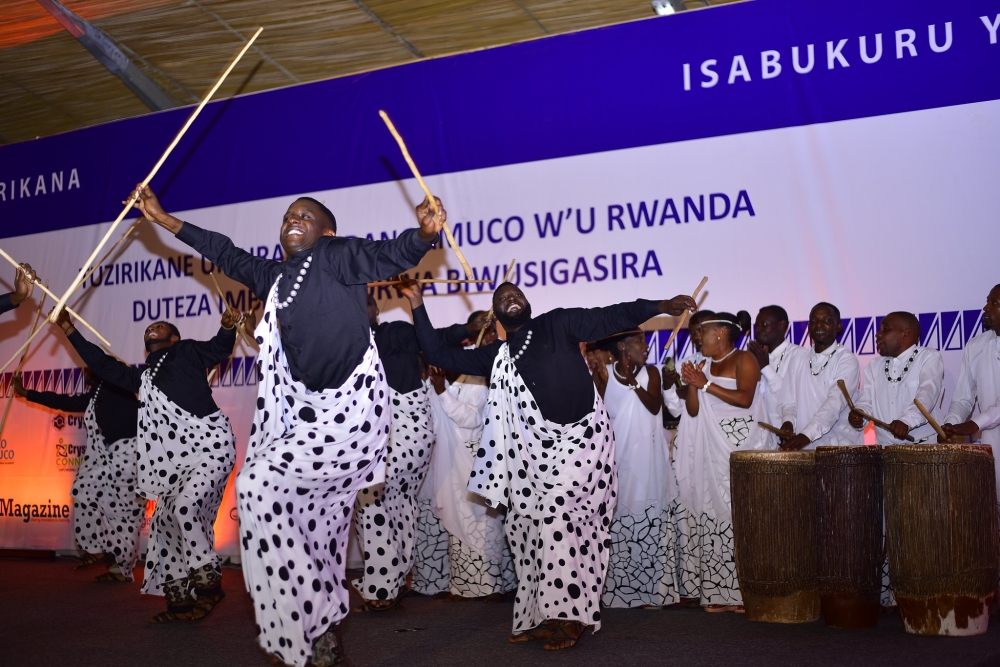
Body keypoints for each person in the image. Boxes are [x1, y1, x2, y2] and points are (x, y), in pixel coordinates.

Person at [128, 184, 445, 667]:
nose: (292, 220)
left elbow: (388, 254)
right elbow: (222, 251)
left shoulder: (338, 256)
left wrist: (423, 235)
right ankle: (317, 627)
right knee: (264, 495)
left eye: (305, 215)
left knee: (267, 493)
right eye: (287, 216)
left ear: (327, 231)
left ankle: (315, 620)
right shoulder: (272, 278)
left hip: (350, 415)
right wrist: (164, 219)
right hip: (301, 422)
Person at [402, 280, 696, 650]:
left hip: (582, 443)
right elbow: (437, 353)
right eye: (502, 298)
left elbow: (610, 316)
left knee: (559, 519)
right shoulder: (497, 355)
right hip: (532, 458)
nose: (511, 298)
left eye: (516, 294)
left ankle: (571, 617)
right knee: (525, 533)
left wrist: (660, 304)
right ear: (497, 314)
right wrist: (416, 302)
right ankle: (540, 614)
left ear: (527, 303)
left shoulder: (557, 324)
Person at [55, 308, 238, 622]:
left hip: (211, 448)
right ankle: (179, 603)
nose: (153, 325)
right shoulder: (142, 378)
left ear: (173, 338)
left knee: (184, 507)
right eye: (151, 326)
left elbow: (219, 349)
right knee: (164, 525)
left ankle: (209, 583)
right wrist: (69, 330)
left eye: (161, 325)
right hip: (178, 464)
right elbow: (101, 363)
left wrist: (226, 328)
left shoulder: (186, 352)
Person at [355, 294, 478, 610]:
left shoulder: (392, 332)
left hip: (406, 429)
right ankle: (392, 580)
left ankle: (382, 587)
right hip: (371, 434)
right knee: (394, 504)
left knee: (374, 499)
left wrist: (465, 327)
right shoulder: (342, 346)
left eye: (365, 301)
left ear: (375, 308)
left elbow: (432, 338)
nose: (358, 306)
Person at [421, 311, 516, 602]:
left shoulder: (485, 371)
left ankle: (490, 586)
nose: (483, 339)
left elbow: (472, 418)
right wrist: (438, 388)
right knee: (462, 521)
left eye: (489, 333)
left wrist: (442, 392)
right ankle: (466, 586)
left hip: (476, 457)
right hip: (454, 458)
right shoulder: (462, 371)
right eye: (479, 332)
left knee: (480, 521)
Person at [680, 311, 772, 611]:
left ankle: (746, 592)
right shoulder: (702, 365)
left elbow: (745, 398)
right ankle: (719, 592)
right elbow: (693, 411)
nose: (697, 338)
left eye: (702, 332)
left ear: (720, 333)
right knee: (714, 518)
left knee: (741, 518)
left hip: (743, 449)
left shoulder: (745, 359)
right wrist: (693, 383)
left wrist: (705, 383)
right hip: (712, 451)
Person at [14, 369, 142, 582]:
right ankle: (99, 549)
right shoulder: (99, 392)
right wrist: (28, 393)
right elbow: (67, 402)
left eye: (90, 368)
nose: (85, 372)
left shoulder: (119, 388)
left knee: (123, 514)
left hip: (130, 457)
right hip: (113, 456)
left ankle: (119, 566)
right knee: (86, 492)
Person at [593, 330, 678, 609]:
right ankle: (620, 592)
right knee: (619, 522)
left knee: (649, 522)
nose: (645, 345)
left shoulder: (650, 373)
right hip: (617, 459)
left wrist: (632, 382)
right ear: (621, 346)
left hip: (648, 459)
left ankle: (653, 592)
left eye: (644, 340)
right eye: (639, 341)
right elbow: (598, 415)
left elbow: (655, 407)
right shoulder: (603, 373)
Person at [661, 309, 714, 606]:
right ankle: (692, 586)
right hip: (687, 443)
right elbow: (678, 410)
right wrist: (670, 386)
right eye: (692, 331)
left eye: (701, 329)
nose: (696, 335)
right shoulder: (686, 362)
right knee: (688, 515)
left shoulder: (726, 362)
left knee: (713, 513)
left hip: (715, 445)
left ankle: (719, 586)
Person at [849, 312, 944, 445]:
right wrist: (860, 414)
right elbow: (866, 401)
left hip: (924, 449)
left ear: (905, 333)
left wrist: (906, 421)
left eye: (885, 329)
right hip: (885, 451)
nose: (878, 334)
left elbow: (927, 394)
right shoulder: (874, 365)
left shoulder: (928, 358)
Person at [778, 303, 862, 451]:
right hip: (805, 448)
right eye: (814, 321)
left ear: (838, 327)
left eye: (827, 321)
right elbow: (788, 401)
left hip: (840, 450)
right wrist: (788, 422)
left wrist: (806, 435)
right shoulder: (798, 358)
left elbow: (835, 402)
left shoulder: (847, 359)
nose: (819, 325)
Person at [943, 284, 1000, 498]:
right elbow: (963, 398)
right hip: (991, 447)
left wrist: (975, 423)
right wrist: (950, 424)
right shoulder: (976, 345)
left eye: (994, 303)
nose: (986, 307)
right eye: (987, 301)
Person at [747, 305, 808, 426]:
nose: (758, 329)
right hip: (760, 437)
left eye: (764, 324)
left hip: (788, 433)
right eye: (757, 326)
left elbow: (793, 399)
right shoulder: (752, 356)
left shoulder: (800, 355)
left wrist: (765, 367)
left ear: (781, 325)